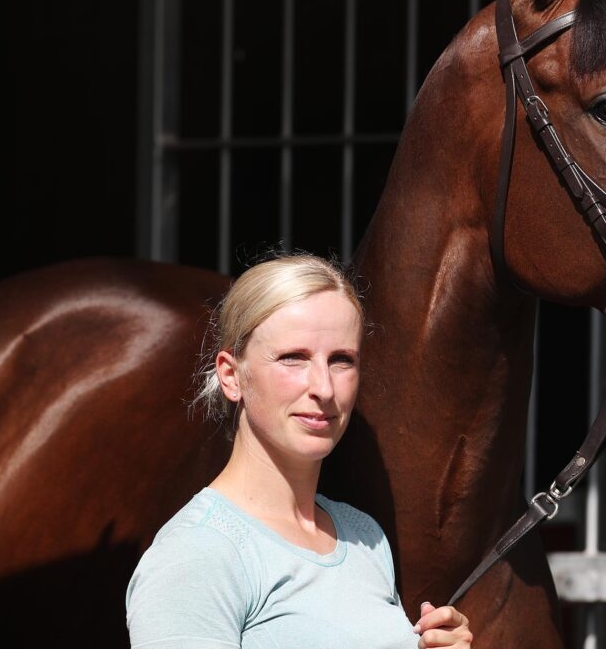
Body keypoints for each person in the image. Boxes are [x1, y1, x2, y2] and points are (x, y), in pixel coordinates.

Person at [126, 254, 472, 648]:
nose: (324, 388)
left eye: (342, 360)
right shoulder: (196, 555)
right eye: (293, 358)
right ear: (230, 375)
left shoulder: (363, 535)